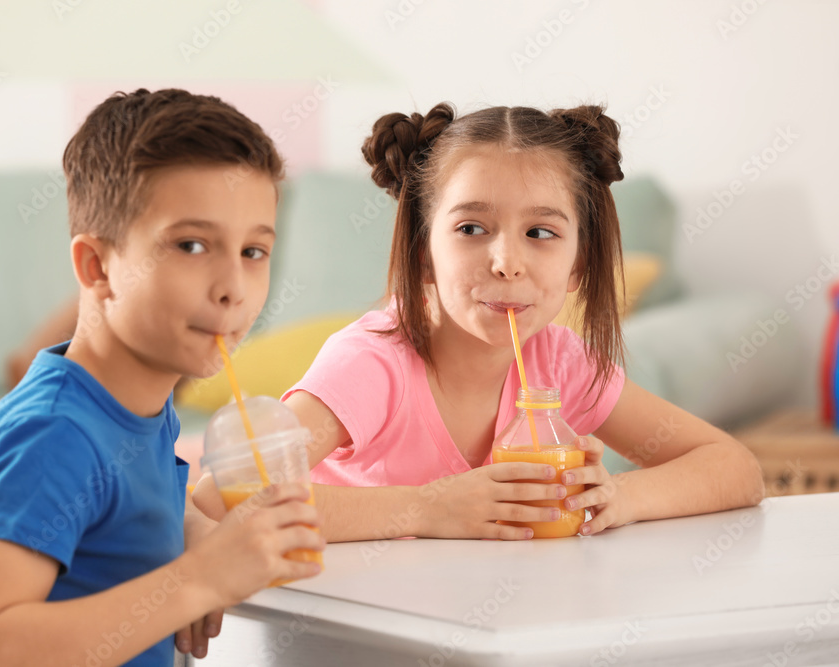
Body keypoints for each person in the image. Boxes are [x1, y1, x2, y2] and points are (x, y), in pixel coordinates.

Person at [194, 101, 765, 542]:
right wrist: (428, 507)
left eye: (540, 233)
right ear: (422, 251)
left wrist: (621, 497)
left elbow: (733, 467)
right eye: (471, 229)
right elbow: (226, 496)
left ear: (578, 265)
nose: (507, 262)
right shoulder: (374, 364)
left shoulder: (559, 363)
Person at [0, 88, 323, 667]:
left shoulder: (134, 404)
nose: (234, 288)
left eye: (254, 251)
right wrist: (197, 581)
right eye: (191, 245)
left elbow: (122, 502)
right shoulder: (54, 435)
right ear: (97, 267)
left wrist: (197, 533)